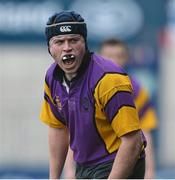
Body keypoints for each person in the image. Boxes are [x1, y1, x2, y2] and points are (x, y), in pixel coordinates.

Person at [40, 11, 146, 179]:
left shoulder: (109, 79)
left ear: (85, 43)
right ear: (49, 48)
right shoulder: (52, 77)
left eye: (74, 40)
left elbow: (133, 141)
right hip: (84, 165)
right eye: (59, 42)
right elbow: (58, 128)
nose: (67, 47)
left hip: (117, 160)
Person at [99, 38, 158, 179]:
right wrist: (70, 172)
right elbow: (76, 135)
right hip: (94, 166)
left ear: (126, 58)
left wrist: (149, 173)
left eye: (118, 56)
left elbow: (145, 134)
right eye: (107, 56)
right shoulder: (86, 90)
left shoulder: (137, 92)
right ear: (98, 58)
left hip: (126, 166)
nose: (113, 61)